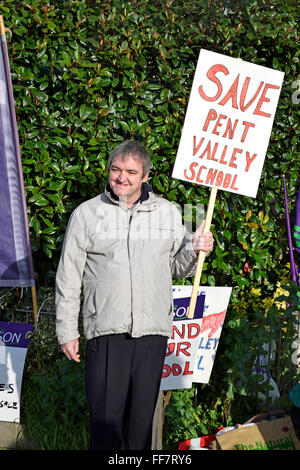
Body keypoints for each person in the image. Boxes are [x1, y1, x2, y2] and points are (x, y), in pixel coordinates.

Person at [55, 140, 214, 450]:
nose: (122, 178)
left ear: (145, 175)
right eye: (116, 170)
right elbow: (68, 276)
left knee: (139, 429)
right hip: (106, 334)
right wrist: (66, 331)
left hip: (152, 335)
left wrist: (194, 248)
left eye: (131, 171)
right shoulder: (87, 214)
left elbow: (177, 267)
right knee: (105, 426)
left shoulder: (168, 213)